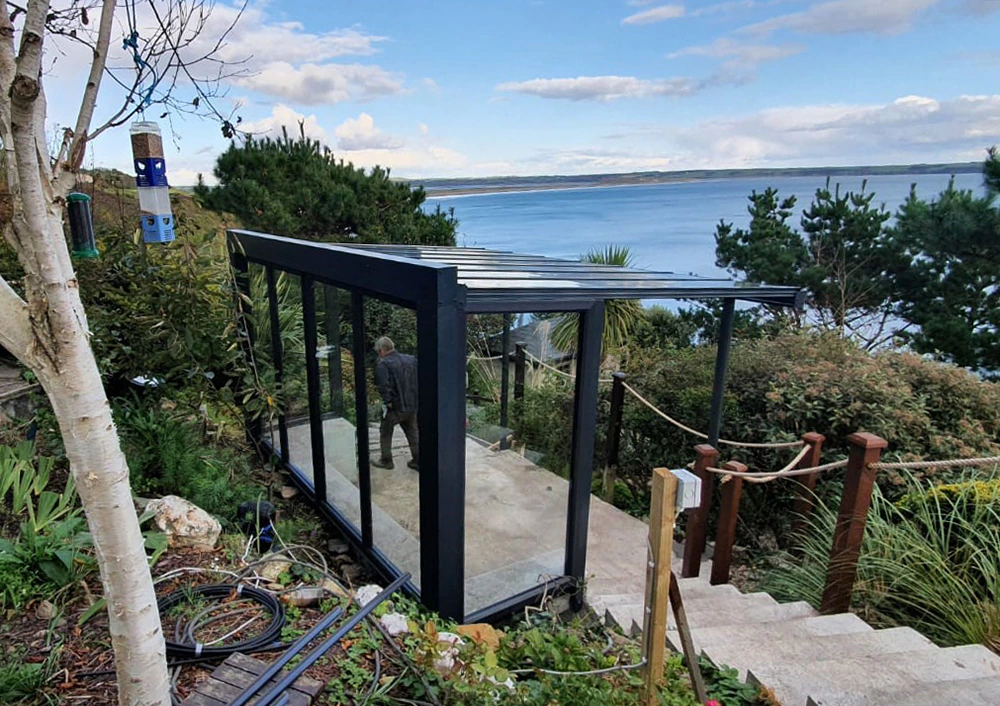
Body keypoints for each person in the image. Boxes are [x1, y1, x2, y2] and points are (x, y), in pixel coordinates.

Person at [371, 336, 419, 471]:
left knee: (385, 431)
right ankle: (418, 460)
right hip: (411, 405)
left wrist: (389, 402)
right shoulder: (411, 359)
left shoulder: (384, 364)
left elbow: (383, 386)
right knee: (412, 432)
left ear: (382, 350)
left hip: (396, 408)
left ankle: (386, 461)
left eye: (378, 352)